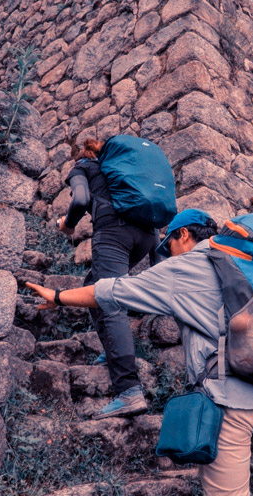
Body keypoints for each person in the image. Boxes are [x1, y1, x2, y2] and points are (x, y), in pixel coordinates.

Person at [28, 209, 253, 496]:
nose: (168, 254)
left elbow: (113, 291)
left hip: (235, 402)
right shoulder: (249, 261)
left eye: (169, 246)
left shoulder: (188, 266)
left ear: (185, 234)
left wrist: (57, 296)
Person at [57, 139, 158, 420]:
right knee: (93, 286)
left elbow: (80, 200)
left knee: (109, 301)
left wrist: (67, 225)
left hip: (114, 233)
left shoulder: (83, 167)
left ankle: (129, 390)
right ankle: (113, 351)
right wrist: (155, 256)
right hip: (146, 236)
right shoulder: (125, 170)